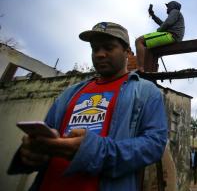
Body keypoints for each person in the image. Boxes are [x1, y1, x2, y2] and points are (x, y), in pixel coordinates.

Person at [8, 22, 168, 191]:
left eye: (108, 47)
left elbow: (154, 144)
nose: (99, 54)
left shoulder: (146, 91)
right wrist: (32, 152)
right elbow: (47, 135)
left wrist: (94, 151)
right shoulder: (69, 93)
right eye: (95, 48)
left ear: (127, 52)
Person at [135, 1, 185, 72]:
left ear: (173, 6)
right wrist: (153, 15)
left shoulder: (175, 11)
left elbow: (167, 23)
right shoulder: (176, 14)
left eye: (168, 6)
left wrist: (158, 31)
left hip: (171, 35)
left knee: (139, 41)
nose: (167, 8)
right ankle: (146, 69)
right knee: (148, 48)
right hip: (174, 36)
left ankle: (140, 69)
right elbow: (163, 24)